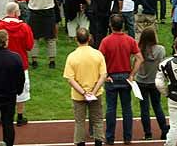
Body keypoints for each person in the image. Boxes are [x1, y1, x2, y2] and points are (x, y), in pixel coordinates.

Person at [99, 14, 143, 144]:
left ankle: (110, 137)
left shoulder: (106, 41)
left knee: (111, 108)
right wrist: (132, 74)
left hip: (111, 76)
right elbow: (140, 58)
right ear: (123, 25)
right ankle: (127, 137)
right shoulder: (130, 40)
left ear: (111, 26)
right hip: (125, 76)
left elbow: (99, 59)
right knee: (126, 108)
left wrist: (105, 75)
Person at [0, 2, 34, 127]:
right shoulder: (24, 27)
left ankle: (0, 116)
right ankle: (20, 116)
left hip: (0, 63)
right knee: (21, 89)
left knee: (0, 88)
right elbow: (29, 46)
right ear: (16, 12)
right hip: (20, 63)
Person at [63, 27, 107, 146]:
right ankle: (99, 142)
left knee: (79, 122)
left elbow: (70, 79)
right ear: (89, 38)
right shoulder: (98, 54)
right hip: (95, 94)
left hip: (78, 95)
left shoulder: (72, 56)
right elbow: (103, 76)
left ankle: (80, 143)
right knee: (97, 120)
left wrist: (83, 92)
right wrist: (93, 91)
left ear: (76, 39)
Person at [136, 28, 168, 140]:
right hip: (155, 81)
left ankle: (148, 133)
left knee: (144, 108)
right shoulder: (160, 49)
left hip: (141, 81)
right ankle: (164, 130)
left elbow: (134, 63)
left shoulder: (139, 49)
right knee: (157, 106)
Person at [26, 0, 58, 69]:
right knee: (51, 37)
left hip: (35, 11)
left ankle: (34, 59)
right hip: (48, 11)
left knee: (34, 37)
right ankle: (52, 60)